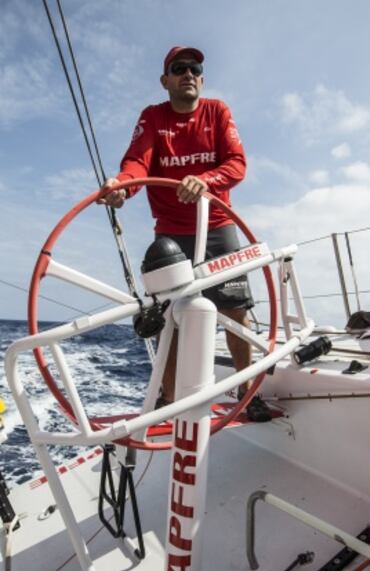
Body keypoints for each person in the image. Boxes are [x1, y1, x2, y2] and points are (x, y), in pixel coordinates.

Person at [99, 46, 271, 421]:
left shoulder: (217, 111)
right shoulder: (152, 117)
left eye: (195, 68)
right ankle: (168, 400)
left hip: (218, 226)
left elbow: (237, 163)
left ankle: (247, 393)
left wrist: (205, 180)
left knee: (235, 312)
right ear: (166, 80)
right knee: (171, 317)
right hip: (172, 236)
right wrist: (122, 188)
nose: (188, 73)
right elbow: (136, 164)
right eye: (179, 68)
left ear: (202, 78)